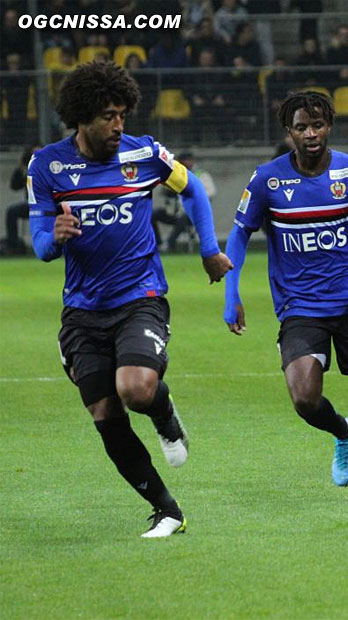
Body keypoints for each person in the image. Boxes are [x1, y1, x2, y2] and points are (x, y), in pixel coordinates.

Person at [28, 61, 233, 538]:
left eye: (122, 113)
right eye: (107, 116)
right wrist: (55, 237)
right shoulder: (48, 165)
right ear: (81, 117)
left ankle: (163, 413)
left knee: (136, 388)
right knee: (104, 413)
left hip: (140, 296)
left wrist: (208, 250)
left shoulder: (146, 155)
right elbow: (40, 246)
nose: (119, 124)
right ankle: (167, 510)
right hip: (82, 309)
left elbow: (193, 189)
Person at [223, 92, 348, 500]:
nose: (311, 134)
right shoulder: (266, 180)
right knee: (305, 399)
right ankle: (343, 432)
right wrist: (231, 293)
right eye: (302, 127)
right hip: (300, 306)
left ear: (330, 126)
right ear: (288, 132)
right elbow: (238, 233)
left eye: (318, 125)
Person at [152, 151, 216, 251]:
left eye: (187, 161)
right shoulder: (176, 173)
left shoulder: (201, 175)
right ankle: (158, 244)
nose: (185, 164)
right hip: (175, 212)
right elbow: (162, 191)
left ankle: (169, 244)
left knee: (184, 218)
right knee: (153, 214)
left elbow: (211, 192)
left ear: (192, 161)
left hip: (193, 215)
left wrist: (195, 195)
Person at [3, 145, 40, 255]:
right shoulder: (28, 170)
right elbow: (15, 186)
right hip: (31, 206)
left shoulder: (49, 168)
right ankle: (13, 245)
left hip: (48, 205)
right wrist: (21, 168)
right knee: (12, 212)